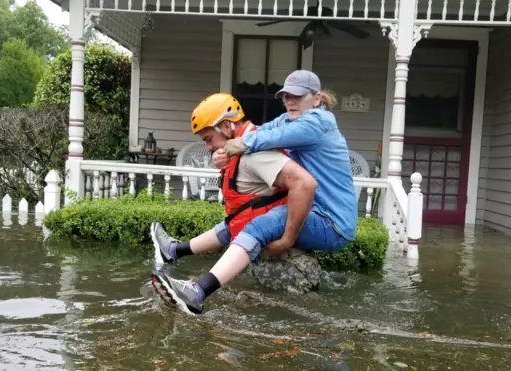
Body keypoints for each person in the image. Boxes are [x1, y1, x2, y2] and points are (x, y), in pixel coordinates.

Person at [151, 70, 358, 315]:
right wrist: (225, 150)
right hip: (316, 211)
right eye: (286, 96)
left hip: (332, 222)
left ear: (316, 98)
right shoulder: (289, 119)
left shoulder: (317, 122)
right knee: (247, 216)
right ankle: (174, 251)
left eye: (298, 96)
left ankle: (198, 292)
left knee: (259, 225)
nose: (290, 101)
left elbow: (275, 140)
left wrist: (287, 240)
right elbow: (260, 131)